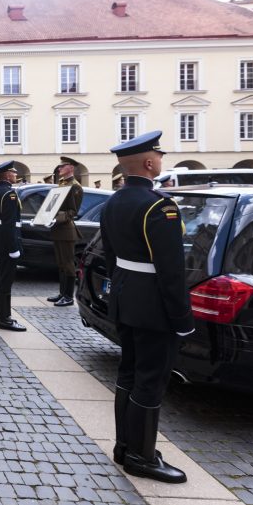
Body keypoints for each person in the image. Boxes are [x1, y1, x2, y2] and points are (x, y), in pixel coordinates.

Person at [101, 130, 193, 484]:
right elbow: (171, 271)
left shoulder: (114, 201)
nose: (160, 160)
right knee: (150, 381)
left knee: (129, 373)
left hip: (126, 298)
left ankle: (125, 445)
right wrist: (182, 318)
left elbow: (111, 256)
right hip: (154, 304)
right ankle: (141, 456)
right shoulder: (160, 206)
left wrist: (122, 290)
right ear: (150, 163)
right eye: (159, 156)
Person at [0, 161, 26, 331]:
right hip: (6, 244)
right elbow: (10, 224)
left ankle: (1, 316)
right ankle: (4, 318)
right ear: (7, 175)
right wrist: (13, 248)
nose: (16, 174)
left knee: (1, 282)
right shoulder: (9, 194)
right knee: (5, 282)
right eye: (13, 172)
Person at [49, 157, 84, 307]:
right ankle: (62, 293)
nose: (58, 169)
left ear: (70, 167)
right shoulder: (62, 183)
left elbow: (72, 212)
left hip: (66, 230)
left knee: (68, 264)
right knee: (61, 263)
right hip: (58, 229)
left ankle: (69, 296)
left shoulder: (75, 187)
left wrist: (55, 218)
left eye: (61, 166)